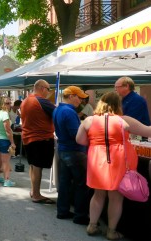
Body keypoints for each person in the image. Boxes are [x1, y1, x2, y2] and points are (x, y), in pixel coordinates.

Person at [76, 91, 151, 240]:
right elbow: (148, 131)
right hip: (118, 162)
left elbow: (80, 140)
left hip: (97, 162)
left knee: (98, 195)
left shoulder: (89, 120)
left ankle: (92, 225)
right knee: (116, 198)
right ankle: (111, 231)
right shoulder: (123, 120)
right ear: (118, 105)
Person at [53, 86, 90, 225]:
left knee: (65, 183)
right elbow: (76, 136)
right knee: (81, 184)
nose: (80, 100)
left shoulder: (58, 109)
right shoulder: (69, 112)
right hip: (74, 151)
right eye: (79, 97)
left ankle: (62, 211)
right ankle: (80, 216)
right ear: (71, 96)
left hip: (63, 149)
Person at [20, 79, 56, 204]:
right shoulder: (41, 101)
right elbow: (57, 113)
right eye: (48, 89)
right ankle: (36, 194)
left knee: (33, 165)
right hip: (40, 138)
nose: (49, 92)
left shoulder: (25, 101)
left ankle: (33, 191)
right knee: (37, 167)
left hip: (28, 137)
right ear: (42, 88)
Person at [0, 96, 16, 187]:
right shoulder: (4, 114)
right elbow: (8, 130)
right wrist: (12, 142)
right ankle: (7, 180)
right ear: (2, 104)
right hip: (4, 139)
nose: (9, 105)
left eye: (10, 103)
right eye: (7, 103)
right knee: (5, 161)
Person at [115, 76, 150, 141]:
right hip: (133, 135)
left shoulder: (136, 100)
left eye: (117, 87)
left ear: (127, 86)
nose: (115, 89)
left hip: (139, 138)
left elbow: (130, 120)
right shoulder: (124, 99)